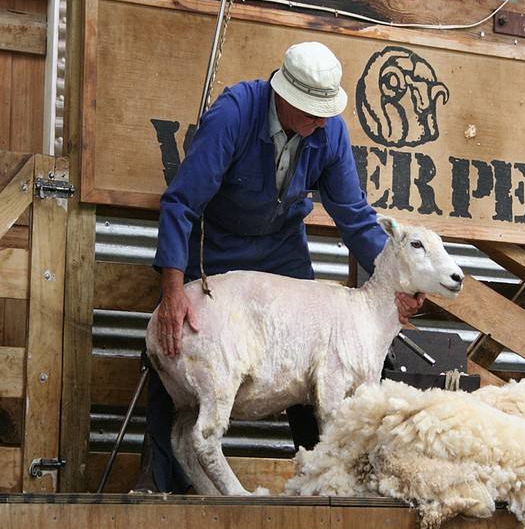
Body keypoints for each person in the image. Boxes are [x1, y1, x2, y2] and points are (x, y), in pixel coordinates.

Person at [136, 41, 425, 493]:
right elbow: (181, 202)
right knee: (179, 344)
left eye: (326, 112)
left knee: (313, 354)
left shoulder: (328, 133)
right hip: (217, 251)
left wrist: (397, 283)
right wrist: (172, 291)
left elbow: (354, 217)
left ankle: (322, 483)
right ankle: (165, 485)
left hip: (282, 253)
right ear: (284, 97)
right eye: (312, 113)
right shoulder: (235, 114)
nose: (321, 122)